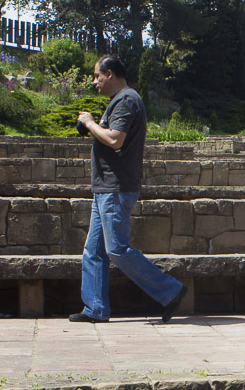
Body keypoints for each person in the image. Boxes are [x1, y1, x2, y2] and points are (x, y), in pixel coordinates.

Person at [71, 54, 188, 324]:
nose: (95, 81)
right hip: (105, 188)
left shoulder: (126, 101)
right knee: (94, 251)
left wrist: (89, 123)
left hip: (116, 187)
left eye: (97, 76)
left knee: (117, 249)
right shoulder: (120, 101)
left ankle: (171, 291)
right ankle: (95, 309)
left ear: (110, 73)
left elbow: (115, 139)